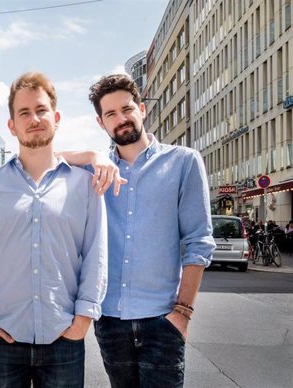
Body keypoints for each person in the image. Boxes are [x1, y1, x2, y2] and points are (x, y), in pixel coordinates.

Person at [0, 71, 108, 387]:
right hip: (1, 338)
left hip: (63, 336)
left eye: (41, 110)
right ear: (12, 125)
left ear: (55, 117)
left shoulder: (85, 186)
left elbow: (96, 255)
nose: (34, 118)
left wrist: (82, 321)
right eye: (24, 112)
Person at [85, 74, 216, 388]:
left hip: (162, 319)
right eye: (111, 114)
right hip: (110, 320)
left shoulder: (183, 162)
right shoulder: (96, 171)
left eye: (127, 109)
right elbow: (50, 161)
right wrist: (92, 156)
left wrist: (182, 313)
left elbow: (198, 241)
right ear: (101, 122)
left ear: (141, 109)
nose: (122, 119)